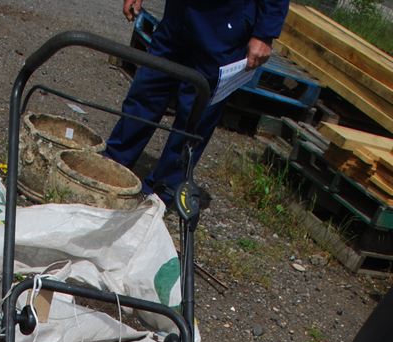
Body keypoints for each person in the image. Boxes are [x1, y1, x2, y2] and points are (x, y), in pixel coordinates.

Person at [105, 0, 290, 202]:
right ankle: (113, 163)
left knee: (196, 113)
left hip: (227, 22)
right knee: (148, 88)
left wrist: (265, 33)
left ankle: (161, 193)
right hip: (179, 14)